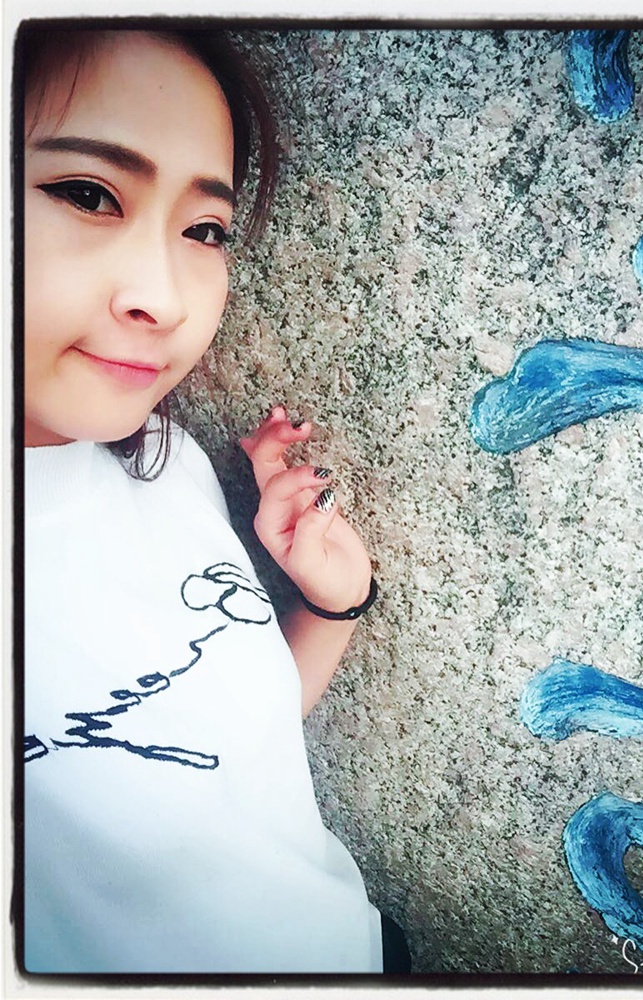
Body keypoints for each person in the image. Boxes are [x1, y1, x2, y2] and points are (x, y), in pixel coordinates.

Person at [21, 24, 408, 974]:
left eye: (204, 230)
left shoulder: (161, 454)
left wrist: (329, 603)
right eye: (87, 193)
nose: (166, 299)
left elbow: (214, 751)